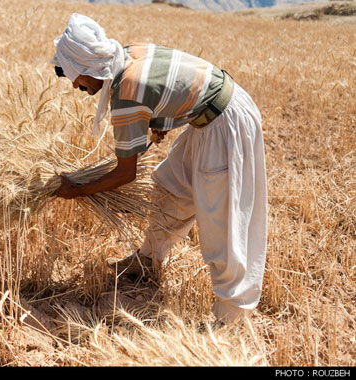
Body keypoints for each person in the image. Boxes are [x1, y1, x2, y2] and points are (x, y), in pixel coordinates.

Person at [51, 13, 268, 325]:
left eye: (73, 75)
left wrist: (77, 190)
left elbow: (125, 174)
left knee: (221, 220)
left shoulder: (126, 91)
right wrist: (160, 118)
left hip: (225, 124)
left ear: (89, 68)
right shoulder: (124, 55)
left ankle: (231, 318)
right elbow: (168, 85)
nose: (74, 84)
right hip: (210, 115)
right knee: (172, 186)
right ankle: (149, 260)